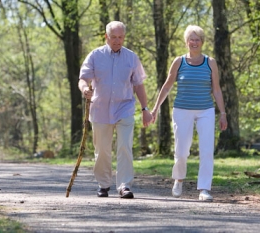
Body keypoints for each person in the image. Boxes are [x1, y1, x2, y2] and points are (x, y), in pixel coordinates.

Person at [151, 25, 228, 201]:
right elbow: (167, 86)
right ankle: (178, 179)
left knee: (207, 149)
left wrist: (222, 113)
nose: (194, 42)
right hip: (182, 110)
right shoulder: (179, 62)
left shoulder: (211, 62)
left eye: (197, 39)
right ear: (186, 42)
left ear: (202, 42)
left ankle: (204, 189)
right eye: (191, 39)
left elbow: (216, 90)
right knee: (181, 150)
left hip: (205, 110)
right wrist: (155, 108)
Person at [78, 21, 152, 198]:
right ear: (106, 37)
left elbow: (139, 85)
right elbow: (83, 78)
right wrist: (84, 89)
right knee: (102, 150)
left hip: (124, 108)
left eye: (120, 37)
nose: (117, 41)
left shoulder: (131, 57)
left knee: (125, 147)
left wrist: (145, 108)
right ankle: (103, 184)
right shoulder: (95, 56)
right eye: (113, 37)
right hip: (100, 109)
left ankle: (124, 185)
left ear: (124, 37)